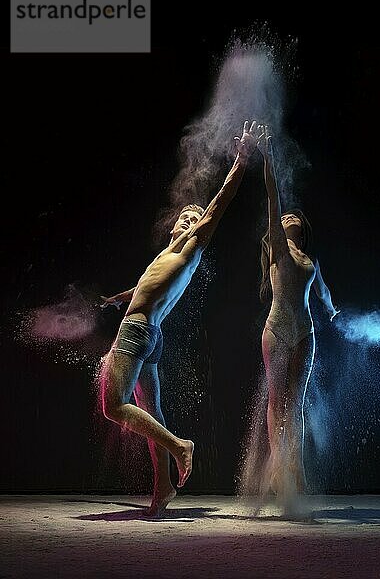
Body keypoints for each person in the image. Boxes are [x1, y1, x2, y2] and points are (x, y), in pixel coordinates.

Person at [99, 120, 261, 516]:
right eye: (184, 217)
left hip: (138, 333)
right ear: (172, 224)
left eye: (195, 219)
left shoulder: (189, 247)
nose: (190, 221)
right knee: (151, 412)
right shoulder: (166, 256)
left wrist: (240, 161)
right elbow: (143, 288)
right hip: (149, 333)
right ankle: (164, 486)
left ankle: (179, 446)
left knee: (112, 406)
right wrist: (118, 298)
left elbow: (218, 205)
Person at [257, 125, 339, 503]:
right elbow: (273, 198)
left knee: (297, 403)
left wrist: (334, 311)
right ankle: (277, 472)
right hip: (276, 329)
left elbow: (322, 291)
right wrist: (268, 157)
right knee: (277, 402)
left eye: (293, 218)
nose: (287, 217)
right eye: (282, 218)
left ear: (301, 230)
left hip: (305, 332)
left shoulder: (310, 259)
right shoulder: (277, 247)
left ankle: (298, 474)